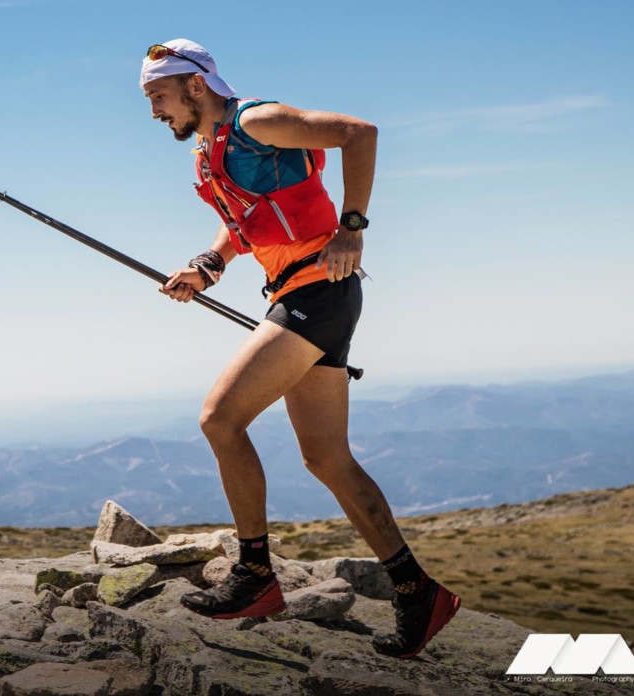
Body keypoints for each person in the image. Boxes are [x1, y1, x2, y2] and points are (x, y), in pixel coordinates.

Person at [140, 38, 460, 659]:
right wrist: (208, 264)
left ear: (195, 86)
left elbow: (359, 133)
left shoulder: (255, 120)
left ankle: (255, 576)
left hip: (319, 290)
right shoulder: (209, 151)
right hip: (303, 293)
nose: (154, 111)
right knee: (326, 459)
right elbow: (245, 223)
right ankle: (418, 592)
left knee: (220, 419)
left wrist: (353, 229)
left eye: (158, 96)